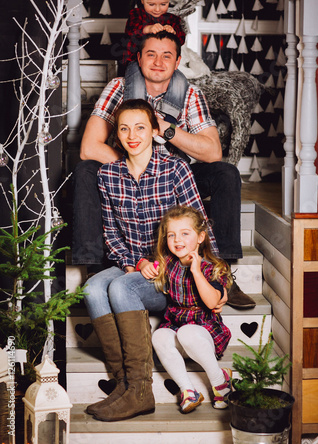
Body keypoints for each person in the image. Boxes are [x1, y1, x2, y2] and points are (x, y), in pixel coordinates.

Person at [73, 30, 255, 309]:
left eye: (166, 56)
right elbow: (88, 147)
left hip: (175, 174)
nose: (158, 61)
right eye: (151, 54)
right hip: (127, 175)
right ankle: (93, 267)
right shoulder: (118, 87)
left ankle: (222, 273)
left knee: (226, 173)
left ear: (177, 61)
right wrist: (133, 162)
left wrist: (167, 128)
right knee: (86, 169)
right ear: (138, 58)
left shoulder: (190, 94)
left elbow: (212, 151)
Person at [84, 99, 224, 422]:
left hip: (171, 275)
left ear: (153, 131)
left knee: (120, 289)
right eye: (124, 129)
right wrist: (134, 263)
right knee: (92, 289)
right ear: (116, 135)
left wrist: (216, 277)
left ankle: (141, 389)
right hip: (133, 265)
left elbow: (199, 223)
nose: (132, 135)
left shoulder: (175, 169)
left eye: (140, 128)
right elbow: (111, 235)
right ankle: (124, 384)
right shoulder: (108, 175)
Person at [152, 206, 232, 414]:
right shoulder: (168, 263)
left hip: (203, 333)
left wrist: (196, 271)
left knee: (188, 332)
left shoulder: (211, 267)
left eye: (185, 233)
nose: (177, 240)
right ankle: (188, 390)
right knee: (159, 336)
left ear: (200, 237)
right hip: (177, 327)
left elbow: (212, 301)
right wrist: (144, 265)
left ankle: (220, 382)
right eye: (171, 235)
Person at [121, 0, 185, 71]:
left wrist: (174, 33)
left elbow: (181, 40)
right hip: (135, 63)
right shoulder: (136, 15)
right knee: (137, 83)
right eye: (151, 4)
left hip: (163, 64)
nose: (157, 9)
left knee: (179, 82)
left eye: (163, 4)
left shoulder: (172, 20)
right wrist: (147, 29)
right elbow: (131, 32)